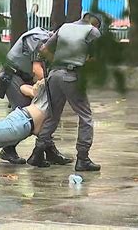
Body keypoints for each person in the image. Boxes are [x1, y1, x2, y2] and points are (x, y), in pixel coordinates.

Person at [29, 12, 102, 171]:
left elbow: (43, 49)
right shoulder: (93, 32)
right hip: (72, 76)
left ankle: (37, 153)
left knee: (52, 114)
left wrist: (57, 61)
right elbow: (96, 59)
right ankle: (83, 158)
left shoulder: (64, 27)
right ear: (96, 24)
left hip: (54, 75)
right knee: (85, 116)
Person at [0, 27, 70, 165]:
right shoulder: (41, 41)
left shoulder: (48, 40)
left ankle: (48, 150)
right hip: (12, 76)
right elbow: (37, 70)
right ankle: (8, 149)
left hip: (23, 76)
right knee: (27, 116)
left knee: (43, 113)